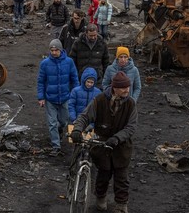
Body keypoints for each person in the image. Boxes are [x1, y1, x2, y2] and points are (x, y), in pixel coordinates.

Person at [71, 71, 137, 213]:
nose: (127, 90)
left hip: (121, 147)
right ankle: (100, 198)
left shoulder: (131, 104)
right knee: (103, 175)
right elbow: (84, 116)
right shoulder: (99, 100)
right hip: (102, 146)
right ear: (115, 88)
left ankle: (121, 205)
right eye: (124, 87)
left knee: (122, 178)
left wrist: (117, 138)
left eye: (128, 87)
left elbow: (131, 127)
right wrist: (77, 130)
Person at [37, 39, 79, 156]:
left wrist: (75, 94)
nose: (54, 52)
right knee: (52, 123)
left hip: (65, 97)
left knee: (64, 121)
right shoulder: (45, 64)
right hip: (50, 98)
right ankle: (56, 146)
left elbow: (74, 79)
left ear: (61, 50)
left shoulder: (69, 62)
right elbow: (41, 81)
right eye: (52, 50)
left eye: (56, 50)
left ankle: (60, 129)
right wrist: (41, 97)